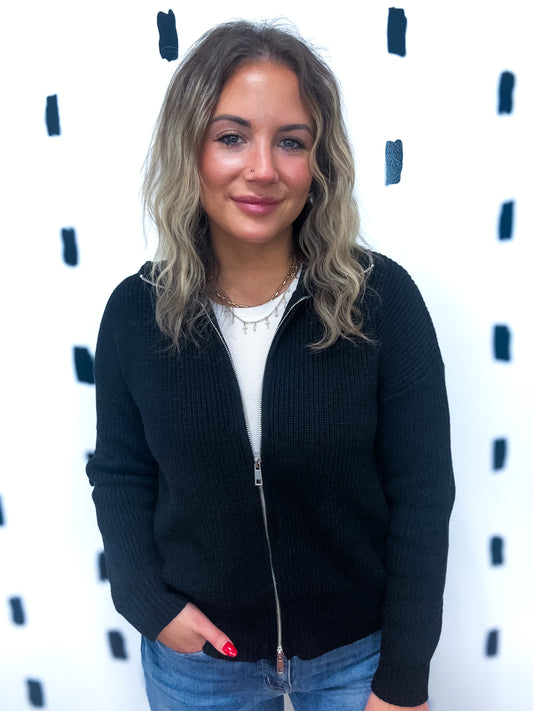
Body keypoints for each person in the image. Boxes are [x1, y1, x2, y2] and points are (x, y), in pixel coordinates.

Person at [87, 19, 454, 711]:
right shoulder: (136, 313)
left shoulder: (381, 300)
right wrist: (147, 604)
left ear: (318, 162)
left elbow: (421, 494)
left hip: (356, 658)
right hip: (200, 664)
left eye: (291, 141)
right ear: (189, 149)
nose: (262, 168)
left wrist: (404, 677)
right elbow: (121, 473)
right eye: (231, 137)